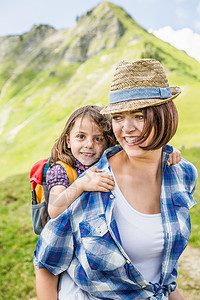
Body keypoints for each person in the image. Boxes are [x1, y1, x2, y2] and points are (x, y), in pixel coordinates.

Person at [33, 59, 196, 300]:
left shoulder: (183, 173)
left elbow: (163, 276)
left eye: (139, 116)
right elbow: (46, 265)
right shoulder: (93, 182)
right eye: (118, 117)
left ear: (165, 116)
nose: (126, 128)